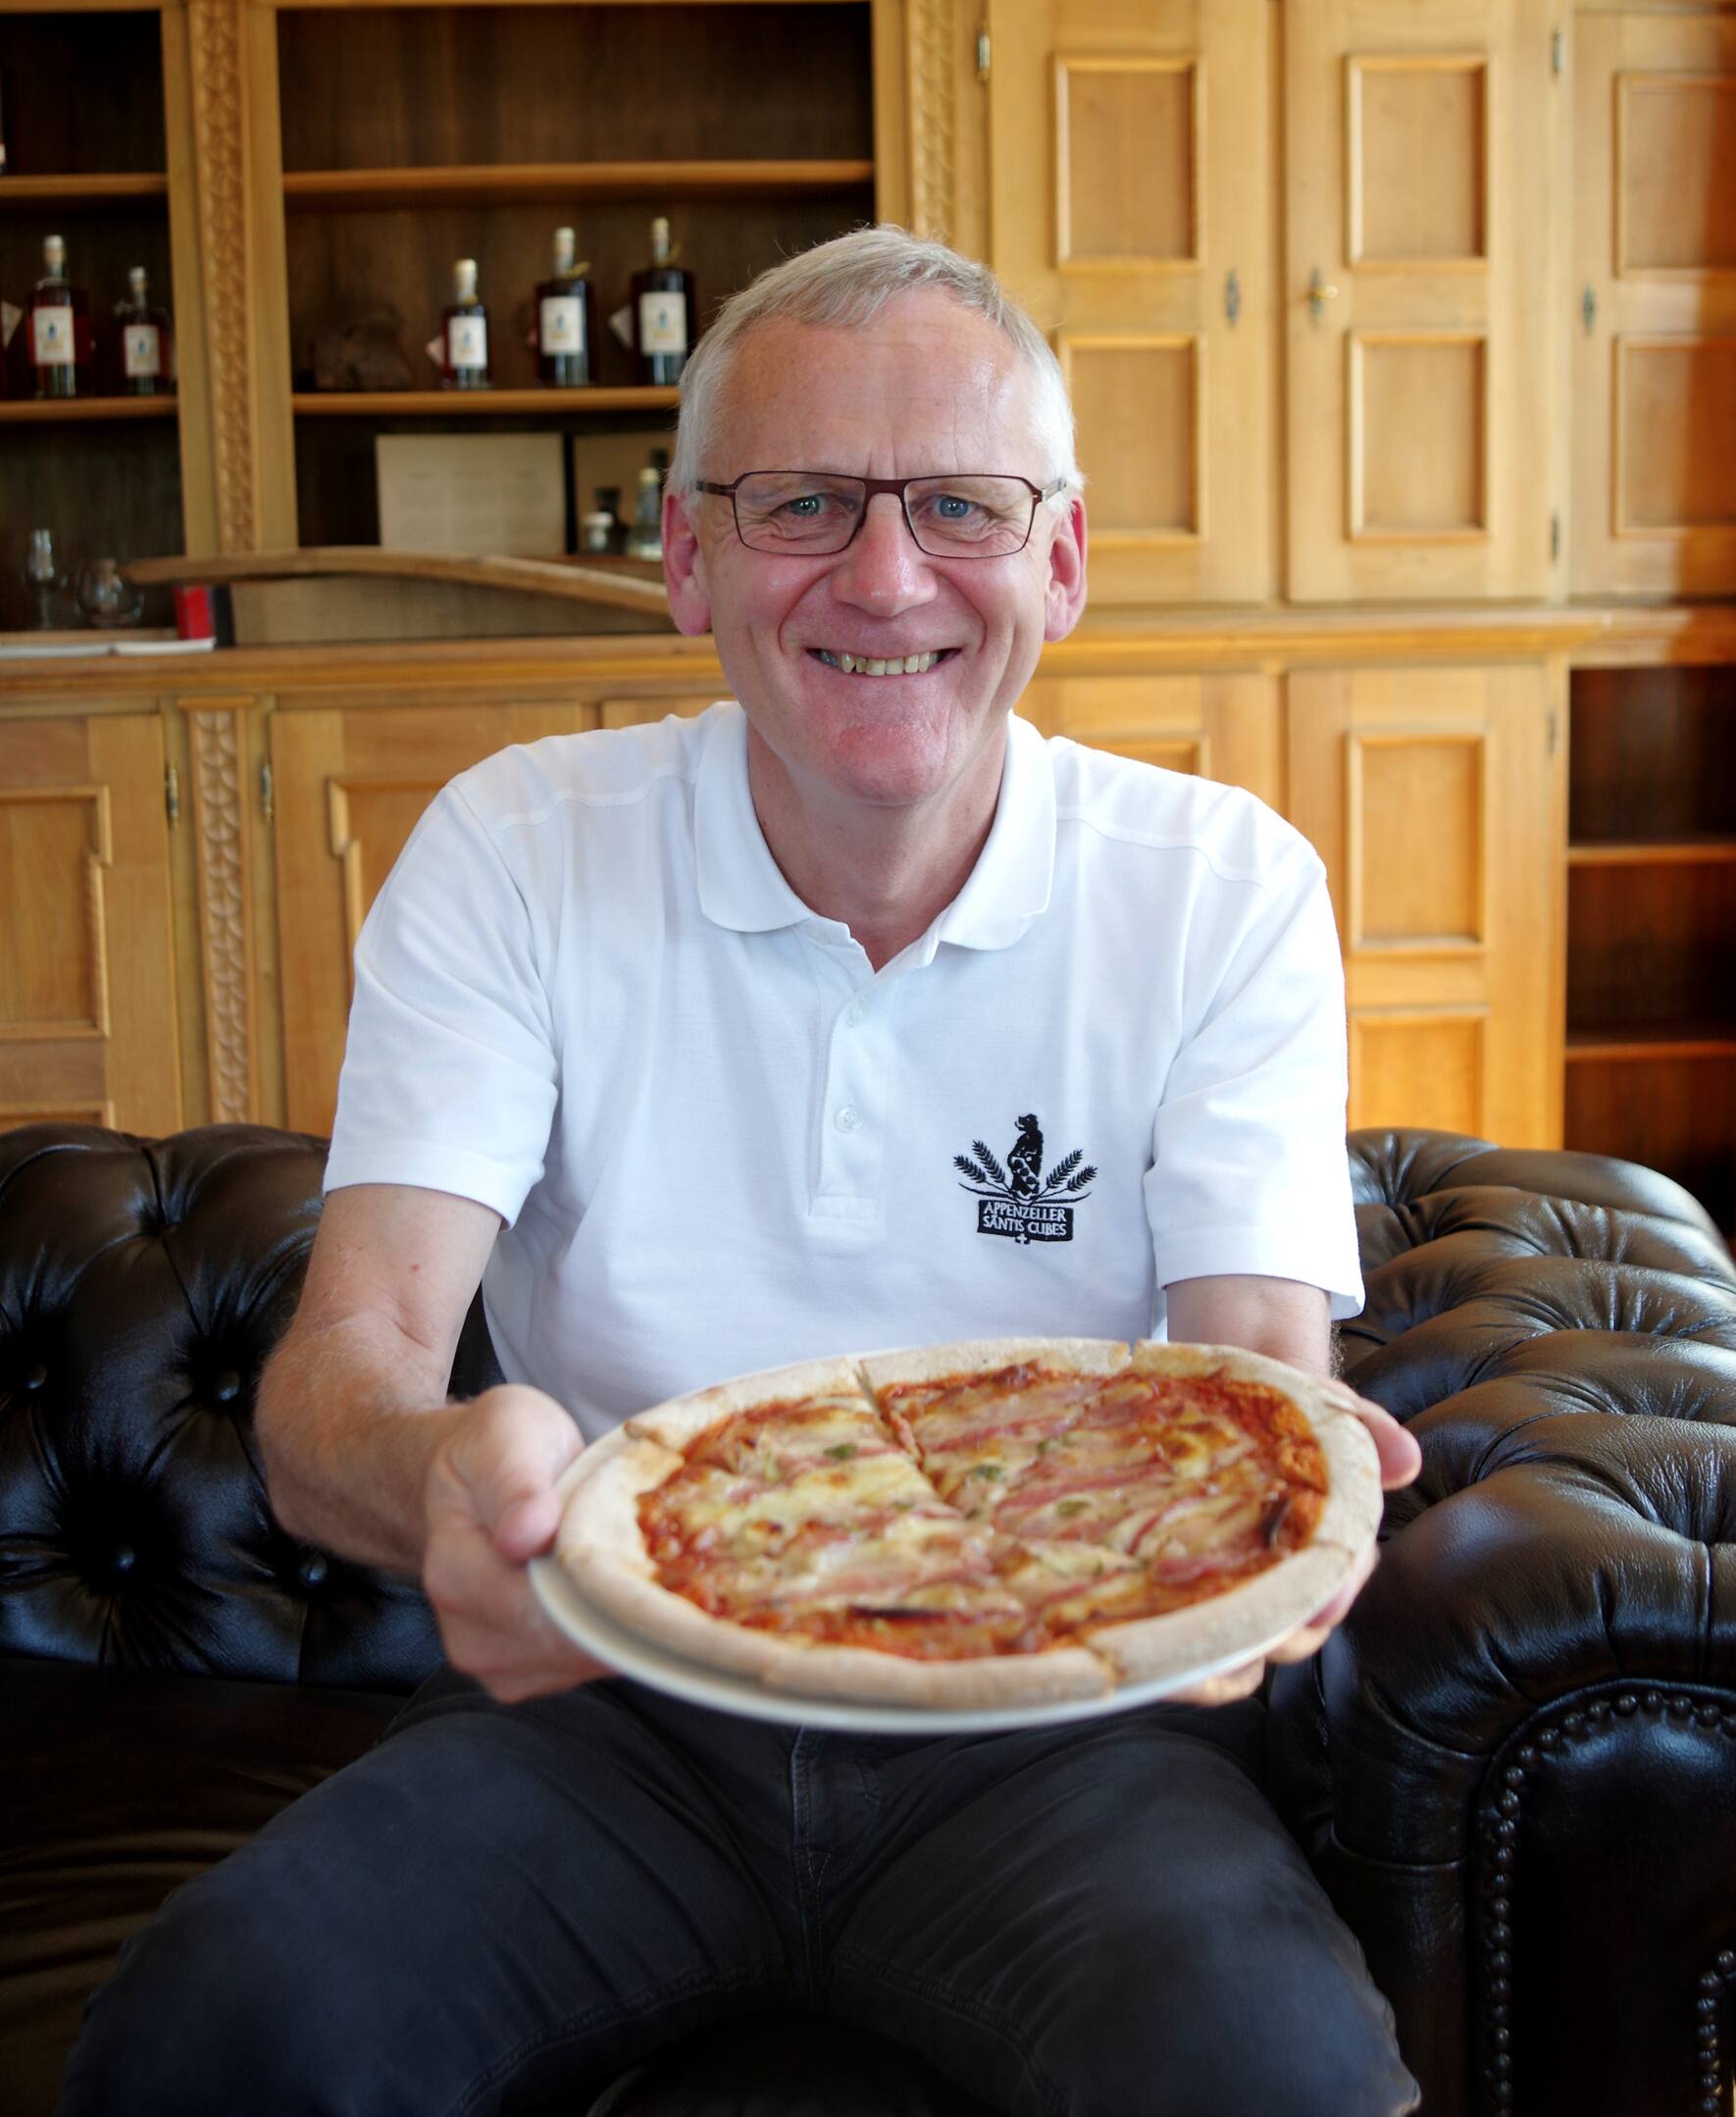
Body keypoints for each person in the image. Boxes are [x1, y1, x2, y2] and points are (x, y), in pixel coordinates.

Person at [58, 227, 1423, 2117]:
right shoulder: (513, 849)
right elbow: (342, 1368)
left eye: (960, 503)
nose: (884, 576)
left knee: (1273, 2081)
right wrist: (447, 1466)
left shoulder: (1222, 889)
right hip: (608, 1703)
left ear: (1063, 559)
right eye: (800, 503)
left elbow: (1256, 1363)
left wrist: (1286, 1509)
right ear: (689, 561)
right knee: (209, 2030)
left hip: (1057, 1725)